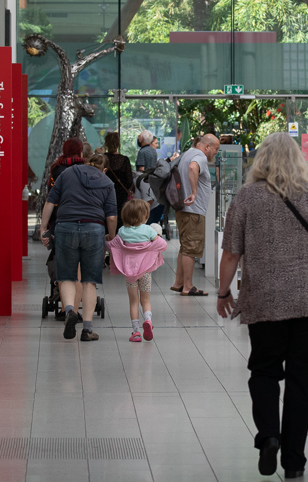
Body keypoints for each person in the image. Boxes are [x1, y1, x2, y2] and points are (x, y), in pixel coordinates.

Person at [215, 132, 308, 478]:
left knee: (263, 371)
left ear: (261, 159)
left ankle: (269, 436)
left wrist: (223, 292)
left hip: (264, 300)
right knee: (301, 380)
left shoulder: (246, 197)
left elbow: (231, 251)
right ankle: (294, 460)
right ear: (299, 159)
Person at [39, 154, 117, 342]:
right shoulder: (107, 182)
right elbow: (112, 217)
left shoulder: (67, 173)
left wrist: (43, 228)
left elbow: (50, 201)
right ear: (103, 169)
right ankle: (87, 329)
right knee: (89, 281)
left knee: (66, 276)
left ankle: (68, 311)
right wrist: (111, 236)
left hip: (66, 227)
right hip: (94, 229)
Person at [107, 199, 167, 343]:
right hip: (145, 272)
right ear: (145, 217)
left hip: (130, 275)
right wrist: (154, 240)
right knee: (145, 300)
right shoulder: (148, 230)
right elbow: (162, 245)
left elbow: (111, 247)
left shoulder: (122, 231)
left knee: (133, 302)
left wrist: (104, 241)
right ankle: (148, 321)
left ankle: (136, 332)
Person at [171, 133, 220, 296]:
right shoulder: (199, 156)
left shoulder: (187, 153)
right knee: (191, 248)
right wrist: (194, 192)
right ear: (207, 147)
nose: (216, 153)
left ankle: (179, 283)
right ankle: (188, 286)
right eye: (216, 149)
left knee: (185, 247)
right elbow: (193, 167)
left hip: (183, 210)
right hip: (193, 211)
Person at [102, 132, 134, 233]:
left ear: (106, 143)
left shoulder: (102, 159)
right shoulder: (124, 160)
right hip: (120, 196)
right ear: (118, 144)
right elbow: (129, 182)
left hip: (104, 194)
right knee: (120, 221)